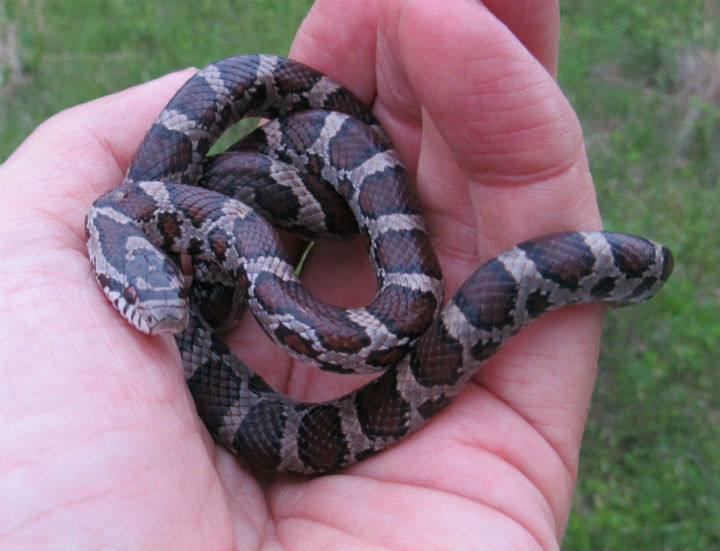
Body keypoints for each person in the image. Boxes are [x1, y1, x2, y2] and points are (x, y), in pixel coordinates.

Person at [0, 0, 605, 548]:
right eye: (136, 298)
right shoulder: (121, 218)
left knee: (345, 237)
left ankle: (590, 272)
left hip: (270, 206)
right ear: (108, 266)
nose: (163, 311)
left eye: (153, 292)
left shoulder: (152, 212)